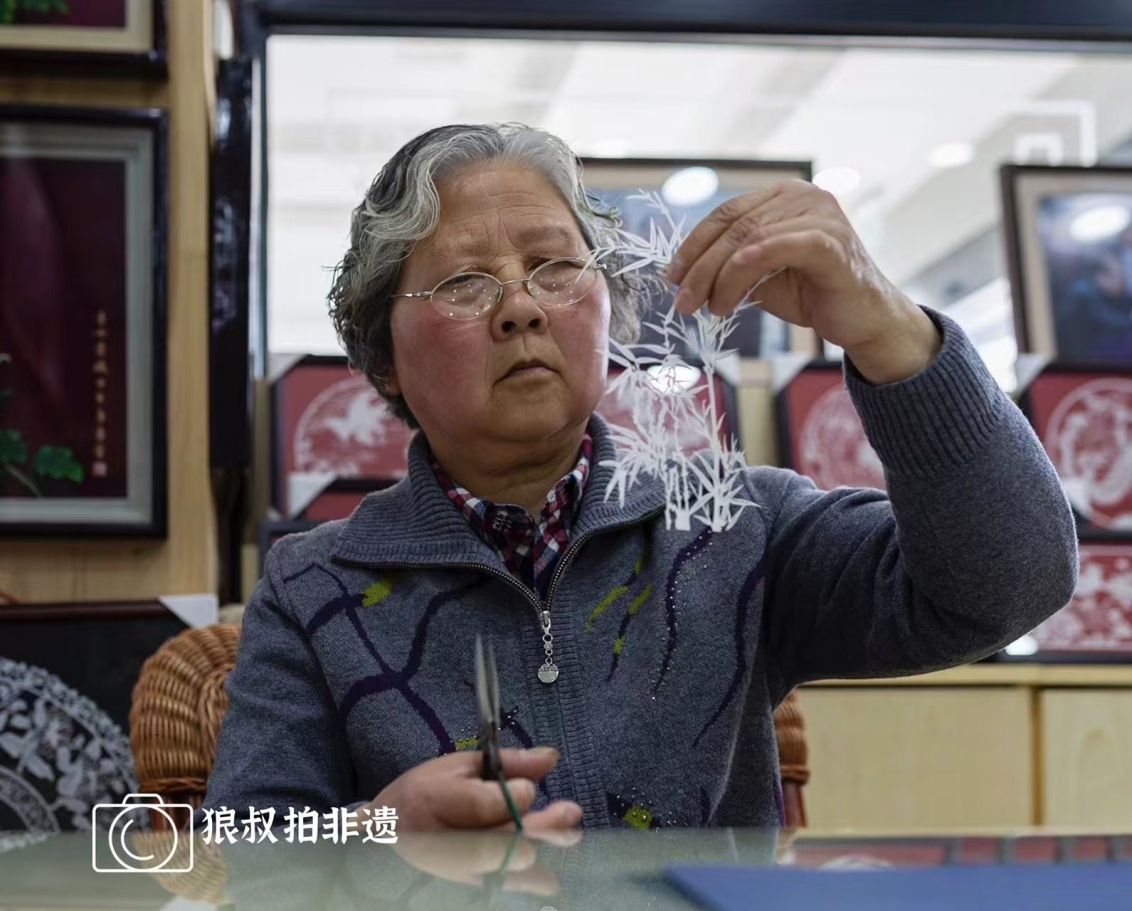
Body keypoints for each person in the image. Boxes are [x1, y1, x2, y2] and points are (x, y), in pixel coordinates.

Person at [204, 123, 1077, 833]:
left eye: (554, 267)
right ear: (384, 358)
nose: (521, 307)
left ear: (608, 308)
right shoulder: (314, 586)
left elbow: (1010, 583)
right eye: (465, 283)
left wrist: (888, 328)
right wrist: (372, 834)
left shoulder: (738, 524)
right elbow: (248, 849)